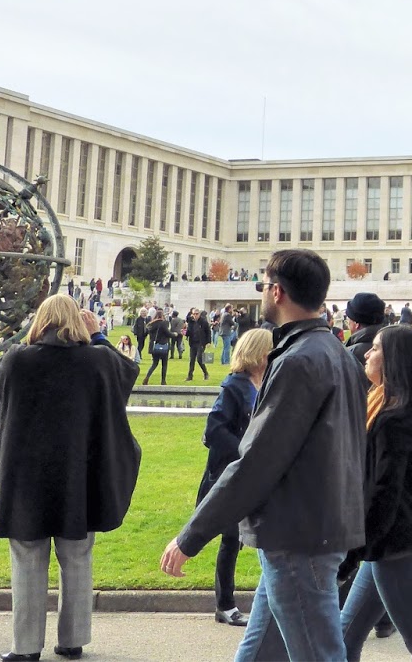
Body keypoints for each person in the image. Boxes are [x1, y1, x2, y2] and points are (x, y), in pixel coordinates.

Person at [161, 249, 367, 662]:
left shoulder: (298, 360)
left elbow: (257, 461)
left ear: (277, 291)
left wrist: (191, 536)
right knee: (259, 651)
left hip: (299, 535)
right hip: (317, 525)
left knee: (318, 654)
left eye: (264, 286)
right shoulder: (334, 353)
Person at [0, 295, 141, 662]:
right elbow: (128, 372)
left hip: (27, 477)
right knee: (77, 555)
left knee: (27, 557)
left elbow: (1, 401)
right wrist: (98, 336)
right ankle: (73, 639)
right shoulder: (97, 361)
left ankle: (26, 647)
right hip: (79, 475)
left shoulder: (16, 361)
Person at [338, 325, 412, 661]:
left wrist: (351, 554)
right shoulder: (389, 407)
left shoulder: (397, 419)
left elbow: (383, 494)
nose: (366, 354)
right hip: (390, 546)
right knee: (345, 636)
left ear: (394, 361)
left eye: (375, 349)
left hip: (398, 549)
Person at [198, 328, 273, 628]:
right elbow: (213, 430)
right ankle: (225, 604)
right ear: (258, 353)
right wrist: (245, 450)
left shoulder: (265, 383)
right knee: (231, 537)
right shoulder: (234, 386)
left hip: (254, 473)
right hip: (230, 472)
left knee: (254, 537)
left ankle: (267, 603)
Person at [143, 312, 172, 385]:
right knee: (164, 364)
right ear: (162, 316)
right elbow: (168, 333)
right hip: (163, 345)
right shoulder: (164, 323)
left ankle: (147, 377)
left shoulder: (151, 324)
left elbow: (146, 333)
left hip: (154, 346)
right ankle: (163, 380)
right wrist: (175, 334)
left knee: (154, 363)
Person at [185, 308, 212, 379]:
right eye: (194, 314)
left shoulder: (203, 322)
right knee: (192, 360)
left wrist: (208, 342)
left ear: (199, 314)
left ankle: (205, 373)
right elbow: (189, 331)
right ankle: (190, 376)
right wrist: (185, 333)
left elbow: (208, 332)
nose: (195, 315)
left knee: (199, 358)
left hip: (201, 342)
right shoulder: (191, 322)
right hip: (193, 342)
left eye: (197, 314)